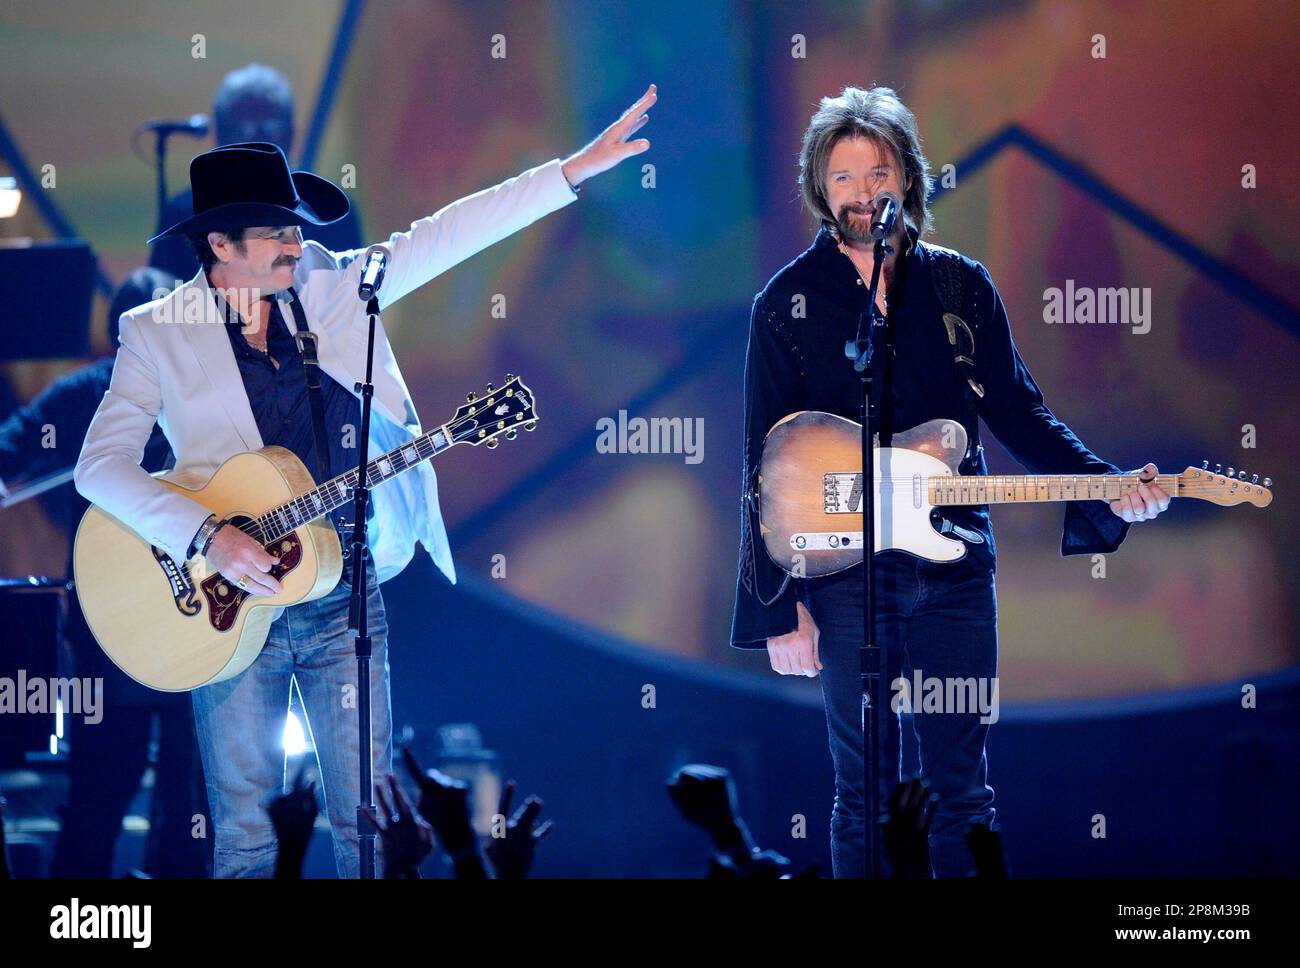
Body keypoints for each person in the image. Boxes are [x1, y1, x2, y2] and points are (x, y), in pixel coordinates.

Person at [75, 84, 657, 877]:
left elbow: (450, 233)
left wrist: (573, 170)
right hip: (224, 609)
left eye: (295, 228)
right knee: (244, 835)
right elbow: (97, 467)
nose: (294, 244)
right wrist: (207, 534)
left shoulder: (338, 285)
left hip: (344, 597)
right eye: (275, 234)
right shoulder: (154, 333)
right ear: (220, 246)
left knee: (371, 826)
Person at [730, 86, 1169, 878]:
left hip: (957, 568)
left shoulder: (962, 287)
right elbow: (761, 463)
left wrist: (1104, 484)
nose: (864, 192)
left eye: (879, 172)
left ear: (908, 178)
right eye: (843, 178)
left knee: (963, 793)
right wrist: (776, 603)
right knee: (864, 796)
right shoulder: (785, 305)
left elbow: (1023, 415)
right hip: (843, 573)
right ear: (819, 193)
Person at [0, 268, 209, 878]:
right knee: (142, 793)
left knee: (156, 793)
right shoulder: (91, 393)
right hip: (123, 622)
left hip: (188, 619)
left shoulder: (190, 395)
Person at [149, 63, 364, 282]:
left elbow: (356, 294)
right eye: (245, 130)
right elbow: (162, 299)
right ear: (220, 136)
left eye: (271, 128)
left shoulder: (330, 209)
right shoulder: (184, 213)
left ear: (291, 134)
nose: (258, 140)